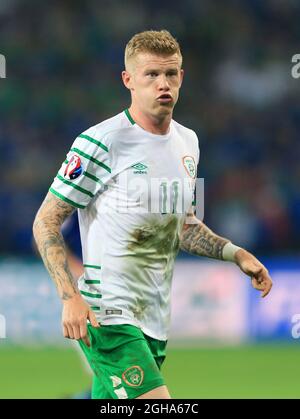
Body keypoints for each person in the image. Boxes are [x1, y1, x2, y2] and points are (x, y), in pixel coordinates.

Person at [33, 30, 272, 399]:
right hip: (107, 314)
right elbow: (46, 219)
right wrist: (69, 297)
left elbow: (184, 225)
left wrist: (235, 254)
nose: (164, 84)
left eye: (171, 74)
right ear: (128, 80)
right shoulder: (100, 142)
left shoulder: (187, 142)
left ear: (182, 77)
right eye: (151, 75)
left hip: (154, 318)